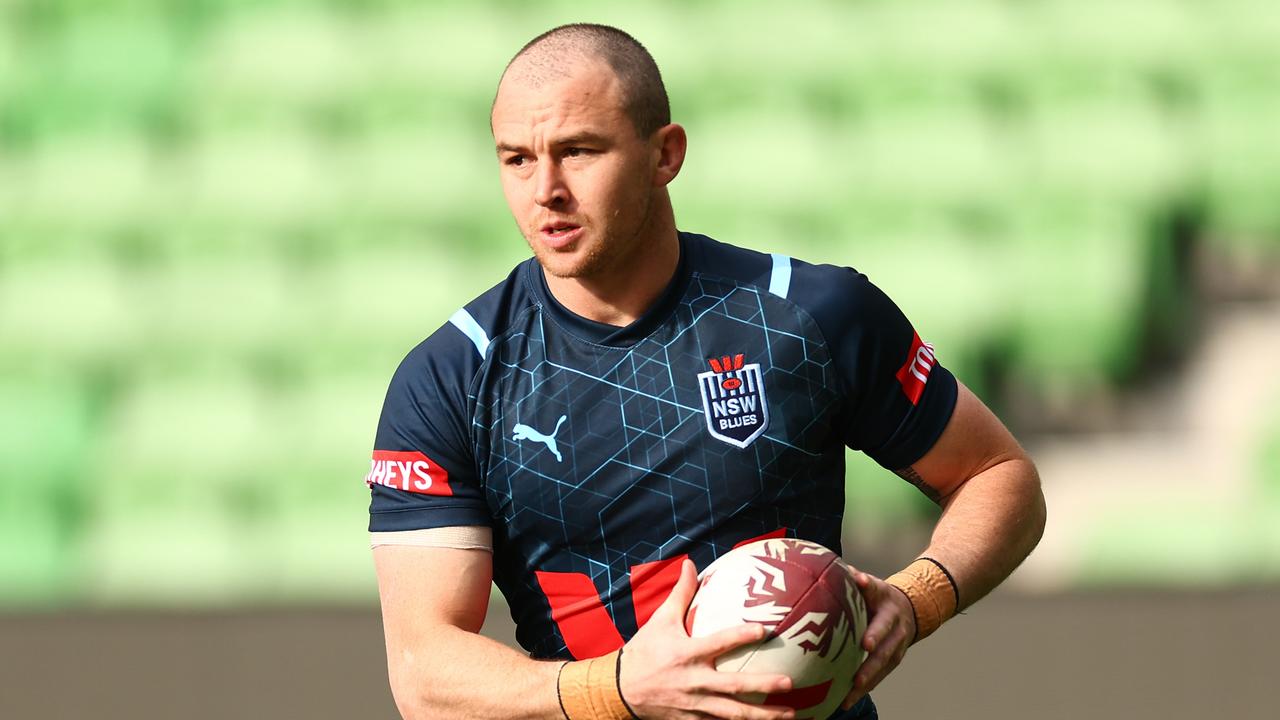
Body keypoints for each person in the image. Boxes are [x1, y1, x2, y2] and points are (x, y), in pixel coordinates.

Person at [366, 23, 1045, 720]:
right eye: (516, 159)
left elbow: (998, 475)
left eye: (579, 151)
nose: (546, 190)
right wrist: (619, 688)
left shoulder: (809, 315)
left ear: (665, 154)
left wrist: (916, 599)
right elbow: (423, 671)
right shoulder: (451, 378)